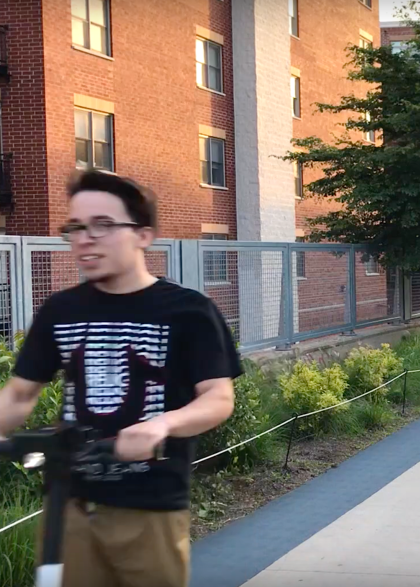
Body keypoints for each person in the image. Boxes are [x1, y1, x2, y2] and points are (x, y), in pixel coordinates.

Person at [0, 170, 242, 587]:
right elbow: (20, 393)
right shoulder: (61, 310)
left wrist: (161, 424)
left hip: (150, 511)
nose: (84, 237)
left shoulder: (189, 311)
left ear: (143, 235)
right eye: (75, 226)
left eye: (103, 225)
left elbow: (218, 398)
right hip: (69, 508)